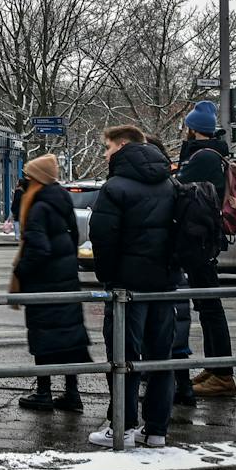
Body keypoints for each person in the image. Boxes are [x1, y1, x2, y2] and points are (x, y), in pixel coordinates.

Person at [86, 124, 179, 449]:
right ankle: (156, 430)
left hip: (128, 287)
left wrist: (109, 278)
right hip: (165, 285)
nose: (104, 153)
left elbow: (102, 238)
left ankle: (121, 427)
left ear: (122, 145)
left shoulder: (115, 187)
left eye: (107, 147)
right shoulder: (169, 182)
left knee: (123, 357)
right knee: (160, 358)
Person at [12, 154, 91, 412]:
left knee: (43, 337)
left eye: (28, 177)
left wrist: (21, 272)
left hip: (44, 284)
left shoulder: (38, 207)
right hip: (66, 280)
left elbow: (38, 249)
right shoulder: (62, 200)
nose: (25, 182)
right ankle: (72, 393)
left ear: (37, 180)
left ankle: (43, 392)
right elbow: (74, 237)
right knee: (68, 339)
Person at [173, 101, 236, 400]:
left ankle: (223, 375)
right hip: (201, 238)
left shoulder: (204, 158)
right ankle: (215, 367)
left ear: (193, 129)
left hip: (200, 239)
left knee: (210, 307)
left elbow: (178, 186)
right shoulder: (207, 155)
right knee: (207, 305)